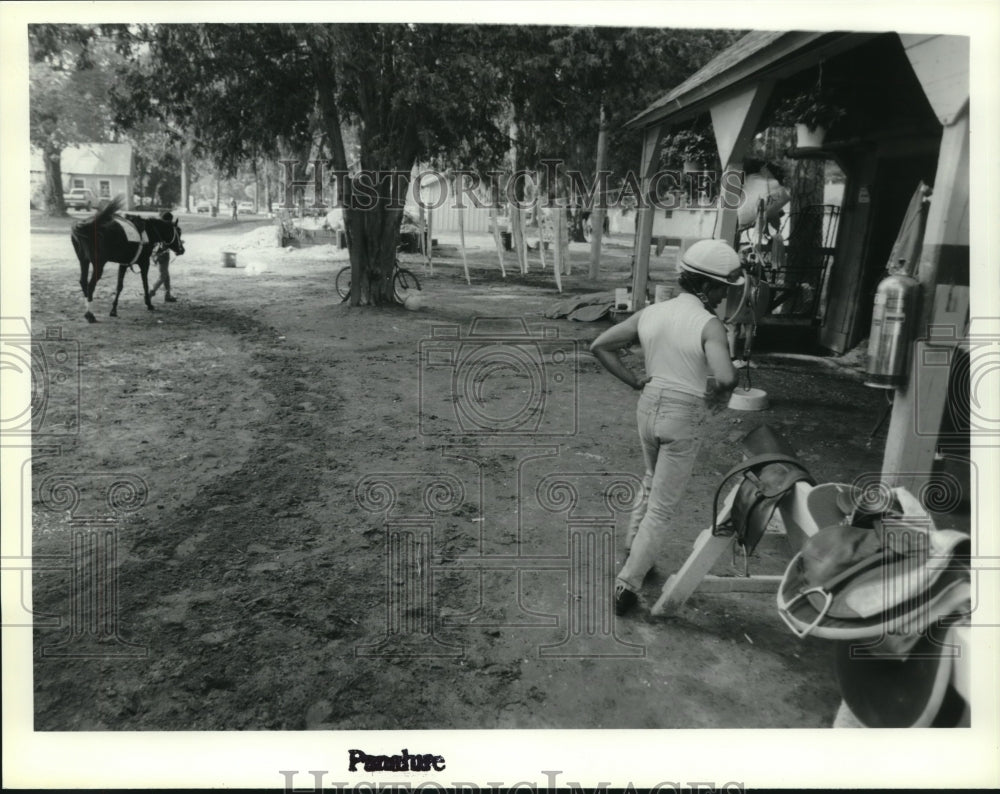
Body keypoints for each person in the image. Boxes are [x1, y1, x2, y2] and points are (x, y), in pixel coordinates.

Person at [589, 238, 741, 616]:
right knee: (662, 508)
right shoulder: (709, 325)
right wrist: (719, 394)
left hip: (649, 404)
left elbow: (600, 345)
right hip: (682, 412)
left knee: (650, 478)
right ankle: (628, 583)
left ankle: (634, 546)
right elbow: (726, 376)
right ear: (705, 286)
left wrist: (633, 380)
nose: (724, 295)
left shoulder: (652, 313)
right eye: (721, 288)